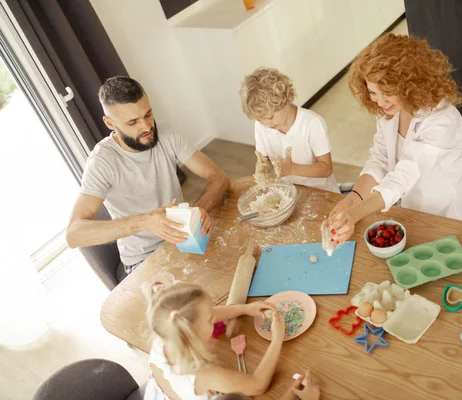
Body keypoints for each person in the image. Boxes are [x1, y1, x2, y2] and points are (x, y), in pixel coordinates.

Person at [66, 76, 230, 274]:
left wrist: (198, 210)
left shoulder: (166, 133)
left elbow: (219, 178)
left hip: (184, 239)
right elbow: (74, 235)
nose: (146, 127)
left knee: (233, 265)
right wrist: (144, 221)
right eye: (133, 122)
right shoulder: (102, 162)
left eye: (148, 114)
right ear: (110, 123)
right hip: (143, 259)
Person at [325, 33, 462, 242]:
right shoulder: (391, 111)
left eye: (387, 92)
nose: (380, 102)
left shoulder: (443, 121)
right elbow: (379, 159)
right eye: (373, 92)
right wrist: (352, 199)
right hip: (409, 214)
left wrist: (355, 214)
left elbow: (403, 175)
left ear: (410, 84)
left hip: (447, 220)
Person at [143, 274, 284, 399]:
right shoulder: (203, 374)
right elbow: (257, 385)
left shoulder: (168, 330)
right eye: (210, 319)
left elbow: (210, 314)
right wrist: (277, 340)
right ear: (193, 332)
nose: (214, 318)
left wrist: (244, 308)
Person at [239, 67, 339, 193]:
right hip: (288, 192)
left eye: (270, 117)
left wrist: (293, 169)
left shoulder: (312, 123)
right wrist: (263, 167)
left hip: (321, 192)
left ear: (284, 100)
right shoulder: (261, 126)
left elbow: (326, 169)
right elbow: (265, 159)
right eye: (260, 120)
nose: (267, 124)